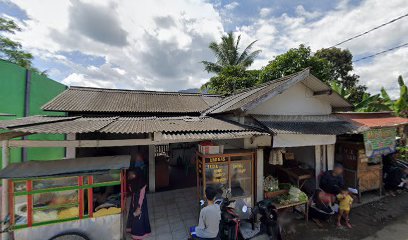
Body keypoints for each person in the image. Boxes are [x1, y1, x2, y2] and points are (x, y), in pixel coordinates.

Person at [126, 169, 151, 240]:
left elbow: (141, 196)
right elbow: (132, 191)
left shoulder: (142, 183)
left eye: (130, 175)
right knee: (132, 215)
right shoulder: (133, 181)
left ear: (135, 175)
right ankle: (131, 229)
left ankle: (139, 235)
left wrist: (138, 207)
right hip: (134, 200)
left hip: (140, 202)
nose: (128, 177)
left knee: (139, 217)